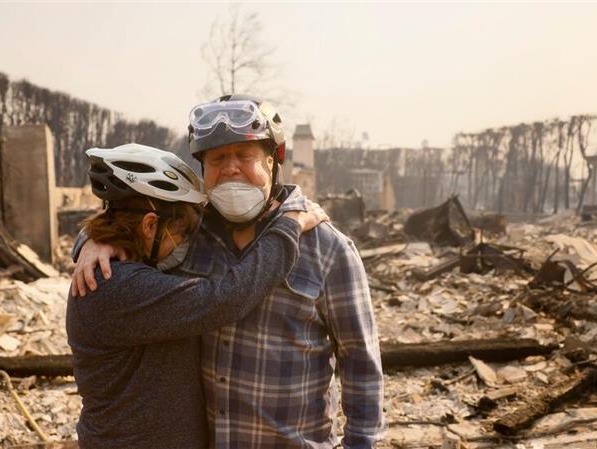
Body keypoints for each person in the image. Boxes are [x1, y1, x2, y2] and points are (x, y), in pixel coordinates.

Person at [73, 96, 385, 448]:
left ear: (272, 160)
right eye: (217, 159)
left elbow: (361, 363)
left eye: (244, 155)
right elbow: (136, 224)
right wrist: (94, 240)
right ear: (203, 169)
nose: (231, 168)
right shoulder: (190, 235)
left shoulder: (327, 248)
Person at [66, 142, 327, 449]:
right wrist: (289, 226)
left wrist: (91, 239)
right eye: (181, 232)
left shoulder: (130, 264)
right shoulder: (115, 286)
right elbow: (226, 298)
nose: (186, 243)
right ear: (150, 225)